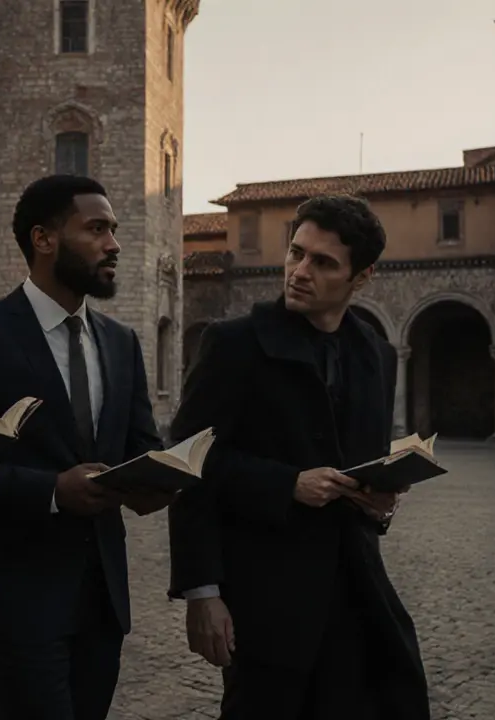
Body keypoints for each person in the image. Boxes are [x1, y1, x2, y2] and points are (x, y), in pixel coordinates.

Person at [166, 194, 430, 720]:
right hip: (265, 598)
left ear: (363, 276)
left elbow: (363, 466)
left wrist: (381, 502)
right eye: (296, 253)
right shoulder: (233, 345)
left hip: (356, 590)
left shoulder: (376, 356)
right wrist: (202, 592)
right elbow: (187, 463)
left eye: (323, 262)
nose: (300, 271)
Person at [0, 174, 170, 720]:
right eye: (96, 229)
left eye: (113, 229)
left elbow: (142, 444)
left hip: (101, 599)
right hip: (16, 598)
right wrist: (52, 492)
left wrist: (155, 481)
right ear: (44, 239)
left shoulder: (121, 342)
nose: (114, 244)